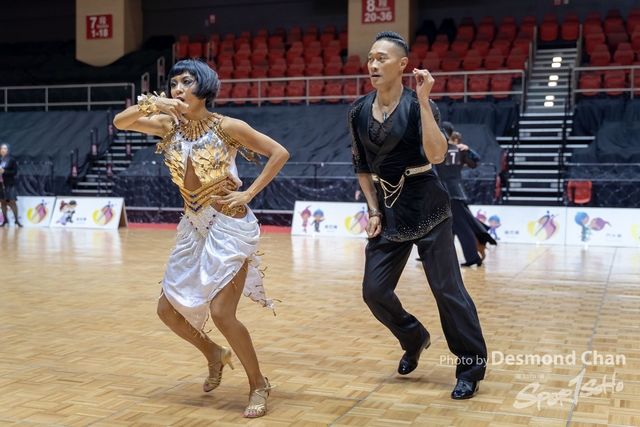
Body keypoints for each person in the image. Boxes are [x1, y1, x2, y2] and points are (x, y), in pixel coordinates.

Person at [113, 59, 289, 418]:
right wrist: (154, 103)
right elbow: (120, 121)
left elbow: (279, 153)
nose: (178, 88)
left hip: (229, 227)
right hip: (193, 226)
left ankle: (258, 383)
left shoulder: (227, 126)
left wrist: (248, 193)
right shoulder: (168, 124)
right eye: (174, 83)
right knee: (166, 311)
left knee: (222, 313)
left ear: (204, 86)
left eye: (187, 82)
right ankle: (213, 353)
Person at [349, 32, 487, 399]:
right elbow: (362, 167)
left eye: (381, 58)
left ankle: (470, 367)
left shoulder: (419, 105)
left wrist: (424, 101)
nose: (373, 65)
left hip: (428, 205)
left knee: (447, 290)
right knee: (374, 291)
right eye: (370, 58)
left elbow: (437, 155)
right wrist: (373, 210)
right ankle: (414, 337)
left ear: (402, 65)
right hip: (388, 210)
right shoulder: (358, 111)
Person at [435, 129, 496, 267]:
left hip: (446, 192)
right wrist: (468, 150)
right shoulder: (459, 151)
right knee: (454, 226)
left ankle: (473, 255)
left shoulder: (439, 151)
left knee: (461, 227)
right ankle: (476, 243)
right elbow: (474, 163)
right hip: (458, 191)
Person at [0, 143, 22, 227]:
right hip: (1, 183)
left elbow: (14, 171)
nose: (3, 150)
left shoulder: (11, 159)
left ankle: (16, 220)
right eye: (2, 148)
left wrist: (4, 171)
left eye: (5, 149)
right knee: (2, 201)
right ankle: (5, 220)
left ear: (8, 150)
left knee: (12, 201)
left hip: (9, 183)